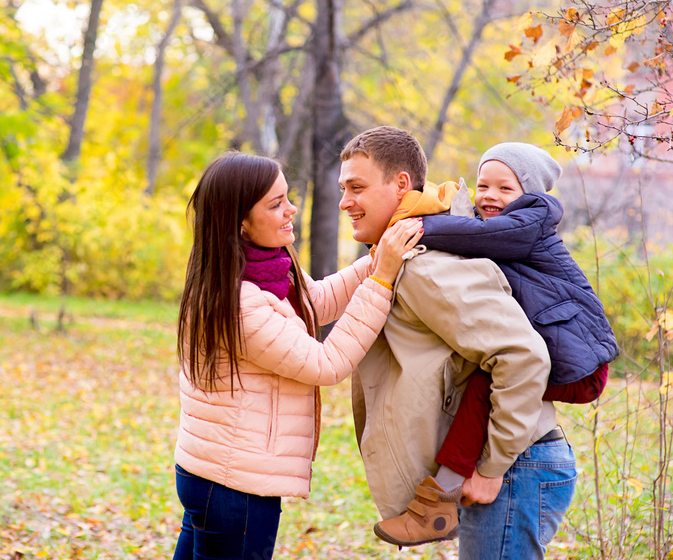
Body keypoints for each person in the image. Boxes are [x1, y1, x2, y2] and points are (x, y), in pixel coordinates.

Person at [338, 127, 576, 559]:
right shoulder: (400, 253)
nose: (344, 202)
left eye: (357, 188)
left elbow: (522, 355)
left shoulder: (426, 264)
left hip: (515, 466)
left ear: (401, 185)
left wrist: (492, 467)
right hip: (513, 461)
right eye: (342, 189)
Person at [173, 151, 424, 560]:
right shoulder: (238, 302)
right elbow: (326, 364)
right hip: (234, 485)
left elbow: (318, 302)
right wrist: (382, 279)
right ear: (239, 221)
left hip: (213, 470)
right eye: (275, 204)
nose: (291, 209)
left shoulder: (263, 265)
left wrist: (377, 260)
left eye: (286, 197)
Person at [372, 141, 618, 546]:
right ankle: (438, 500)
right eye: (483, 185)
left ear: (530, 194)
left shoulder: (531, 220)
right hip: (562, 352)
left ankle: (438, 501)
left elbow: (478, 235)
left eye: (505, 188)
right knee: (486, 379)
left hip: (584, 364)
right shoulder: (503, 229)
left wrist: (418, 227)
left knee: (488, 382)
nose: (490, 196)